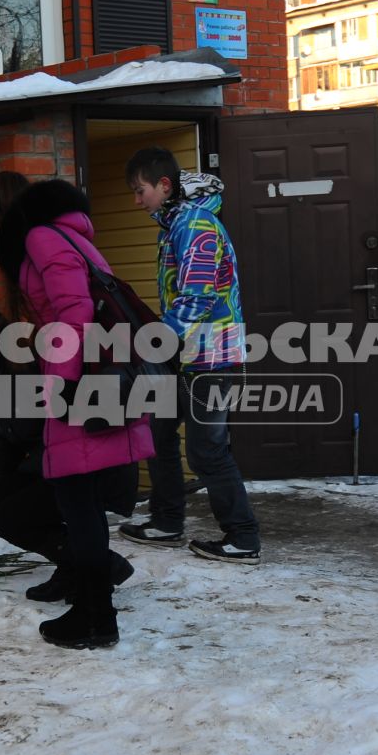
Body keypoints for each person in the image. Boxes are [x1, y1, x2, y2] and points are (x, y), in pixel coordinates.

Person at [0, 177, 155, 649]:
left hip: (80, 386)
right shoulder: (75, 238)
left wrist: (57, 383)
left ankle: (94, 618)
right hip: (97, 380)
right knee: (81, 505)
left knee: (77, 504)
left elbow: (73, 309)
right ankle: (92, 610)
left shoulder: (43, 237)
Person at [117, 148, 262, 565]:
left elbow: (197, 296)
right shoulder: (175, 225)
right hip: (186, 356)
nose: (136, 199)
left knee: (206, 450)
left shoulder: (196, 226)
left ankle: (243, 538)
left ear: (164, 186)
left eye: (139, 190)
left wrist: (156, 342)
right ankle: (166, 521)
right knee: (159, 433)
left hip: (211, 357)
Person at [0, 303, 136, 603]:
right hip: (62, 472)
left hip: (96, 471)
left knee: (11, 515)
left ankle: (97, 566)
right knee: (5, 501)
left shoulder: (28, 379)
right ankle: (75, 566)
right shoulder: (2, 387)